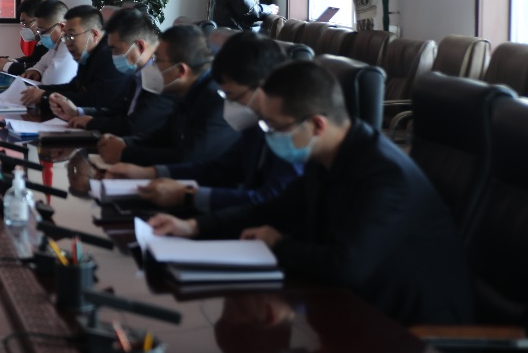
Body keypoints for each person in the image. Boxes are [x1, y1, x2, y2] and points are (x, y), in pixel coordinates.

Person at [149, 60, 474, 326]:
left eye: (276, 127)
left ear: (317, 125)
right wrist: (193, 227)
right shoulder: (328, 156)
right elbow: (272, 209)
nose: (269, 136)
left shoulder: (385, 177)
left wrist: (278, 244)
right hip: (355, 312)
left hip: (415, 340)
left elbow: (346, 265)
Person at [104, 32, 301, 212]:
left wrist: (188, 196)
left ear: (263, 88)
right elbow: (222, 168)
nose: (228, 103)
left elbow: (269, 200)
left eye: (232, 96)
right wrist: (150, 172)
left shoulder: (292, 134)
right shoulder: (257, 125)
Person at [97, 23, 238, 167]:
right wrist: (124, 142)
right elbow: (163, 136)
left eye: (157, 60)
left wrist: (126, 153)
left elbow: (188, 158)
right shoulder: (185, 91)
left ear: (180, 71)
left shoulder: (216, 102)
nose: (152, 66)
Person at [52, 8, 173, 138]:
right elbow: (120, 110)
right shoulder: (140, 73)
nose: (112, 56)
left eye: (116, 50)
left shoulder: (162, 78)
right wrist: (78, 112)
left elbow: (134, 126)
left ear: (140, 46)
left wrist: (91, 122)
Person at [30, 6, 129, 114]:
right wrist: (40, 89)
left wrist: (44, 96)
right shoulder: (87, 53)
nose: (67, 43)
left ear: (94, 34)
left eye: (72, 36)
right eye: (65, 36)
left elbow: (94, 100)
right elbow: (75, 87)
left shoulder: (110, 56)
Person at [20, 0, 78, 90]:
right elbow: (41, 64)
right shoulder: (55, 45)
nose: (40, 34)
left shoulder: (69, 48)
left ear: (62, 27)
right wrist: (37, 71)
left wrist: (43, 73)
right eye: (38, 29)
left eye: (43, 30)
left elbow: (51, 82)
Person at [0, 0, 48, 75]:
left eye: (25, 23)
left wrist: (6, 66)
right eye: (22, 24)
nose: (24, 28)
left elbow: (40, 67)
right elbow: (33, 59)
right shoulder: (41, 41)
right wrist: (11, 61)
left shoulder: (50, 41)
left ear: (39, 20)